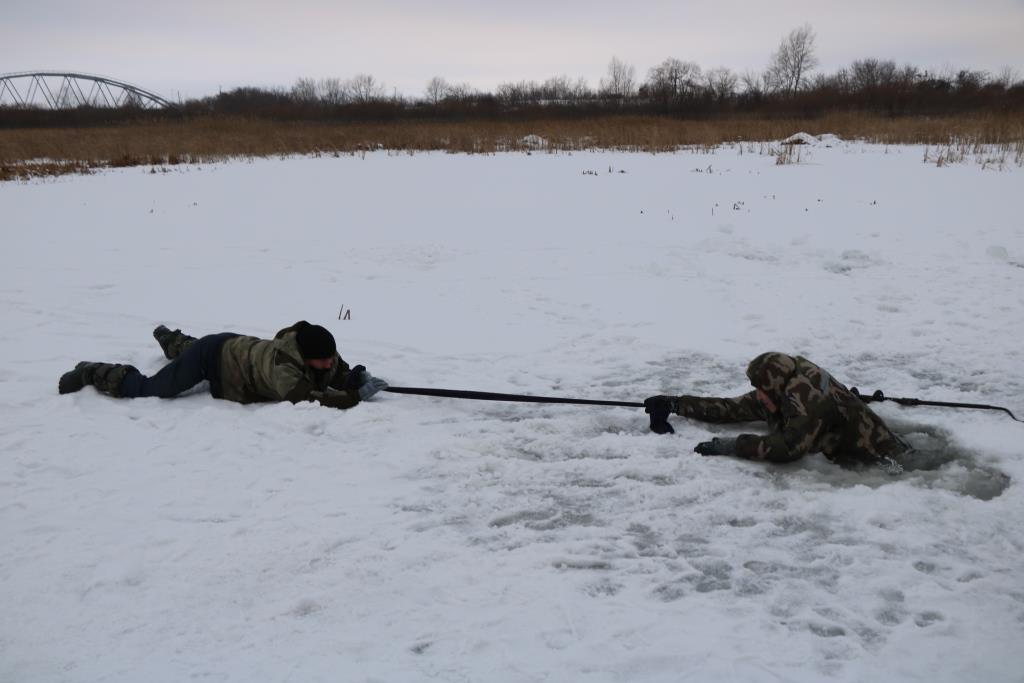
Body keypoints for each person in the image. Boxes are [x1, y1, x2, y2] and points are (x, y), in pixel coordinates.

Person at [644, 352, 909, 469]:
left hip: (888, 464)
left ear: (774, 386)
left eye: (761, 389)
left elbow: (788, 448)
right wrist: (675, 403)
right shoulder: (784, 384)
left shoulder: (805, 400)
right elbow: (730, 408)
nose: (757, 396)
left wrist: (733, 446)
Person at [58, 321, 388, 409]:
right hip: (212, 360)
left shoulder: (318, 348)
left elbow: (336, 370)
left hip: (231, 346)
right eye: (325, 359)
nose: (330, 362)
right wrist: (354, 397)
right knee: (149, 389)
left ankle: (172, 341)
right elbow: (307, 398)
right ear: (307, 356)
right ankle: (92, 371)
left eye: (332, 357)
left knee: (195, 348)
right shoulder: (283, 367)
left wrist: (353, 376)